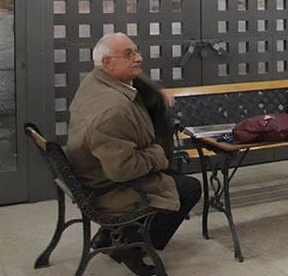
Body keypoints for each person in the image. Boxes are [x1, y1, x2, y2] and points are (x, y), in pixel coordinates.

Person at [66, 33, 201, 276]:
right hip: (108, 189)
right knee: (189, 188)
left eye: (136, 51)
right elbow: (123, 169)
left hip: (93, 173)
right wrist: (157, 153)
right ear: (108, 63)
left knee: (172, 173)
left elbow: (136, 80)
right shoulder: (113, 110)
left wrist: (155, 93)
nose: (138, 58)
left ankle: (111, 235)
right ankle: (132, 245)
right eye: (129, 55)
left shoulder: (96, 82)